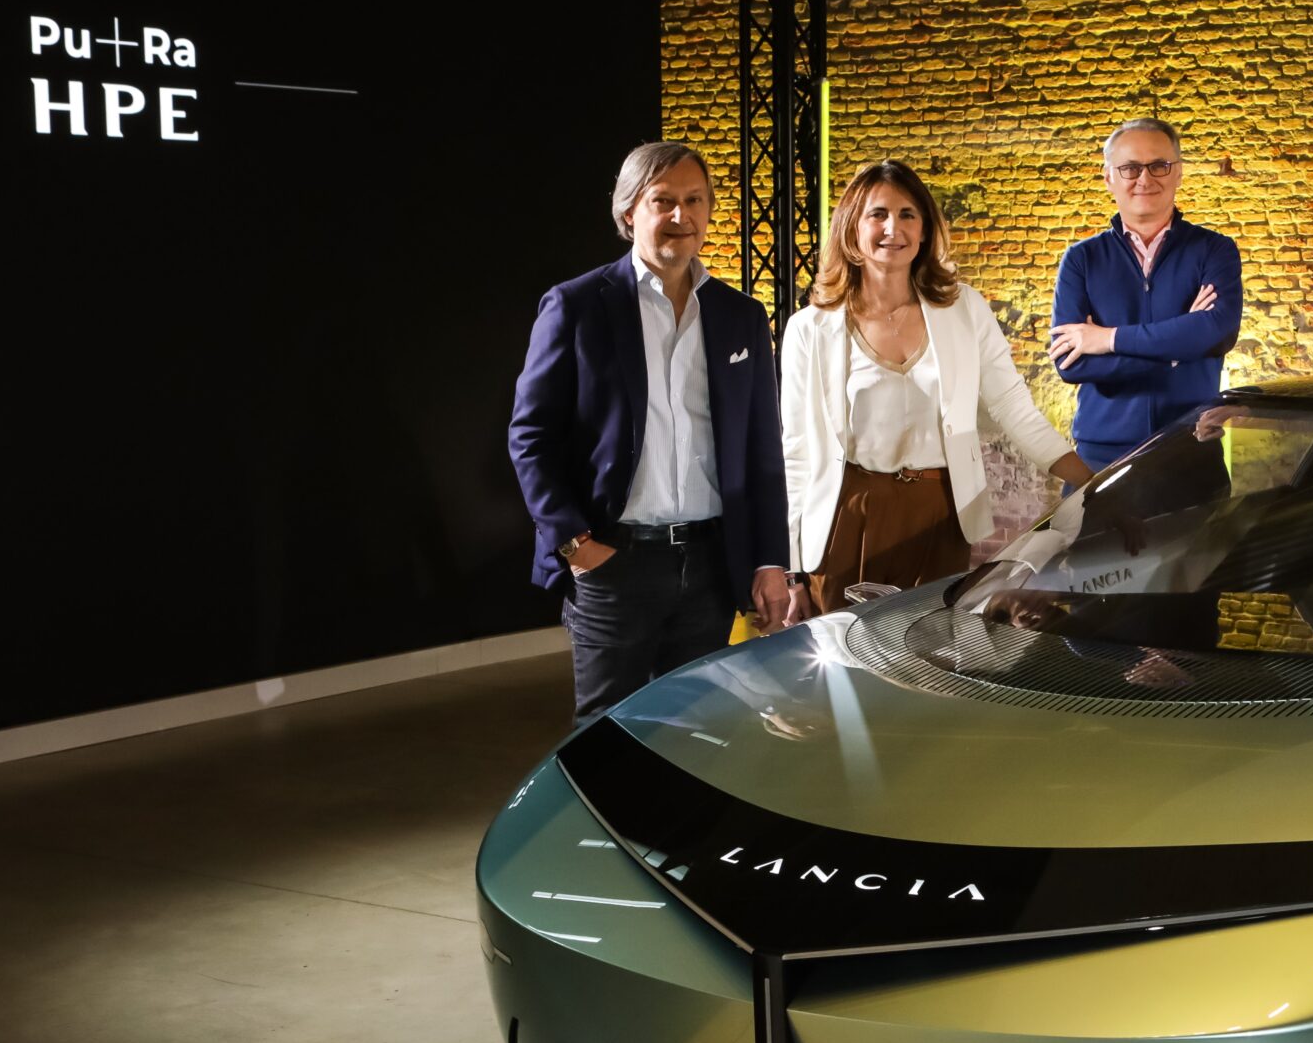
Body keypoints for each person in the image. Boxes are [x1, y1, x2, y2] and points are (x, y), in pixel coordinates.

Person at [509, 141, 790, 720]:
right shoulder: (576, 306)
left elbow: (762, 451)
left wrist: (769, 560)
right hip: (615, 563)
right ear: (629, 211)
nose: (681, 215)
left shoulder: (741, 316)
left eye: (695, 200)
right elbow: (530, 437)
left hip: (712, 565)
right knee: (605, 735)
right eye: (663, 200)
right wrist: (576, 545)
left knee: (697, 729)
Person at [779, 159, 1091, 615]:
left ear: (924, 230)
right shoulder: (810, 328)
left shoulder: (965, 309)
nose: (893, 228)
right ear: (851, 229)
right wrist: (792, 572)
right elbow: (797, 454)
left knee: (932, 649)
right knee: (846, 653)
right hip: (848, 517)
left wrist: (1093, 484)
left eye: (907, 214)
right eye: (878, 214)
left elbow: (1013, 408)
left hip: (941, 514)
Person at [1048, 118, 1244, 467]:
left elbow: (1218, 331)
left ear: (1178, 172)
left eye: (1159, 165)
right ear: (1109, 177)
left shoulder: (1215, 250)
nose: (1145, 179)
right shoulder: (1082, 259)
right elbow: (1071, 365)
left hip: (1191, 448)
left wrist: (1108, 339)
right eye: (1130, 168)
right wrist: (1178, 350)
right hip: (1101, 457)